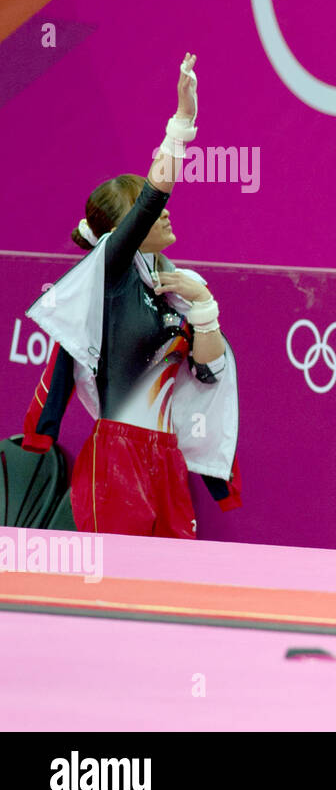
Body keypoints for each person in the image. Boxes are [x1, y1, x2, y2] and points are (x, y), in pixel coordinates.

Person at [22, 53, 241, 537]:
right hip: (116, 456)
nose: (164, 215)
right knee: (117, 592)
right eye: (145, 211)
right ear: (121, 233)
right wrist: (183, 123)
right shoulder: (113, 273)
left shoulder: (177, 290)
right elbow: (155, 197)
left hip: (166, 457)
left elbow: (210, 371)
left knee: (171, 596)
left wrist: (204, 311)